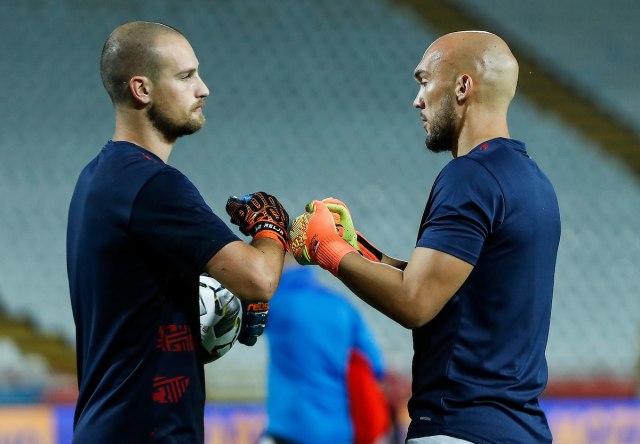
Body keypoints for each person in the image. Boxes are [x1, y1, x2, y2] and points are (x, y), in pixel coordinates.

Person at [289, 31, 561, 444]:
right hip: (522, 430)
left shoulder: (469, 176)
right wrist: (360, 249)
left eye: (424, 81)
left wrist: (327, 249)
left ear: (462, 86)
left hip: (458, 427)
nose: (417, 100)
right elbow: (455, 287)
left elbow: (415, 301)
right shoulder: (534, 180)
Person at [66, 21, 289, 443]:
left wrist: (222, 310)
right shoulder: (153, 184)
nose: (203, 89)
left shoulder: (99, 177)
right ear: (142, 89)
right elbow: (259, 278)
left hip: (110, 425)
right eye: (186, 76)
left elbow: (136, 310)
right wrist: (271, 227)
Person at [260, 257, 390, 444]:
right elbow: (376, 365)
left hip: (290, 428)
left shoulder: (277, 302)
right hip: (339, 431)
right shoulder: (341, 306)